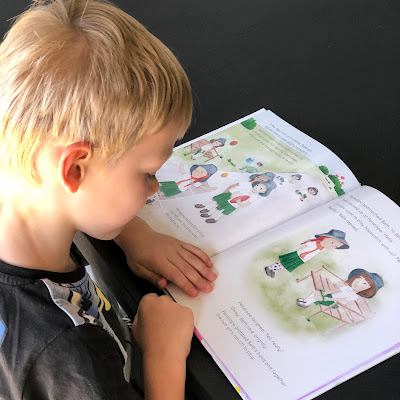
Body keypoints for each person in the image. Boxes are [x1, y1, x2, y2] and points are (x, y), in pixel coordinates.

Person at [0, 1, 217, 399]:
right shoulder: (73, 359)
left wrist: (135, 234)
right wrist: (163, 357)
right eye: (147, 173)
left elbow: (79, 194)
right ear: (74, 169)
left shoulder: (20, 189)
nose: (155, 189)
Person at [265, 229, 349, 278]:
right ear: (325, 238)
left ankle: (274, 270)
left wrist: (305, 259)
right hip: (299, 255)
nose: (332, 247)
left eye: (336, 246)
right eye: (332, 243)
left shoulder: (320, 248)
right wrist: (299, 252)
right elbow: (304, 246)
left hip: (302, 259)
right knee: (284, 262)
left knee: (287, 265)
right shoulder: (314, 243)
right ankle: (270, 268)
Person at [296, 268, 384, 308]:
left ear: (367, 290)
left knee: (317, 297)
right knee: (317, 292)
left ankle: (306, 304)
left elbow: (342, 299)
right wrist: (326, 293)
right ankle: (305, 301)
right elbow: (337, 290)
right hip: (331, 296)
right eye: (360, 278)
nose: (358, 282)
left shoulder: (354, 296)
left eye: (364, 283)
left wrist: (328, 298)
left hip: (334, 302)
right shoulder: (347, 288)